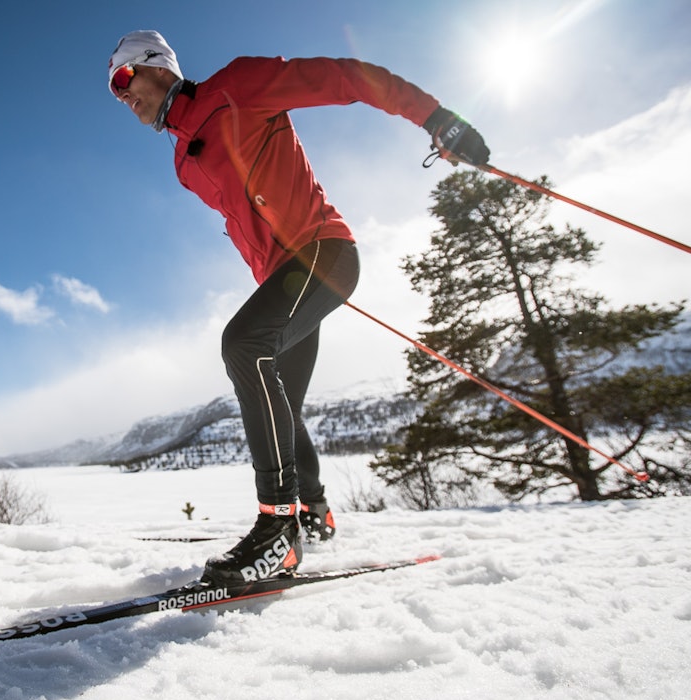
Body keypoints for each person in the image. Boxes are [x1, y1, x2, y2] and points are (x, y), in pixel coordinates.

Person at [107, 30, 489, 586]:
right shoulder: (184, 165)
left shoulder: (237, 86)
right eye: (113, 91)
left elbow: (347, 78)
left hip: (324, 253)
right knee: (279, 396)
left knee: (243, 344)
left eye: (123, 80)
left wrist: (436, 118)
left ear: (158, 66)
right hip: (288, 277)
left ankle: (278, 530)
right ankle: (314, 511)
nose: (122, 97)